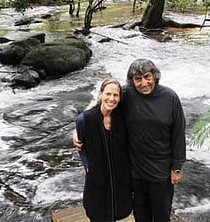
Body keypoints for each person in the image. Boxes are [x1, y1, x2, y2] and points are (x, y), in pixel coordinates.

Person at [73, 59, 186, 222]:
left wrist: (176, 168)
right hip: (135, 172)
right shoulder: (126, 95)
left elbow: (179, 133)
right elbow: (103, 105)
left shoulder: (170, 97)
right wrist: (78, 128)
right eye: (138, 79)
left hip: (161, 172)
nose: (144, 83)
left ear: (155, 76)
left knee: (162, 215)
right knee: (140, 215)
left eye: (147, 77)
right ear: (132, 81)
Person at [74, 78, 132, 222]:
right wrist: (88, 167)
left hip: (120, 177)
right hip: (97, 178)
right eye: (108, 94)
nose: (111, 99)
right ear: (100, 94)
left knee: (118, 212)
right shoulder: (85, 119)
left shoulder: (123, 117)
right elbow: (81, 147)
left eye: (115, 95)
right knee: (97, 213)